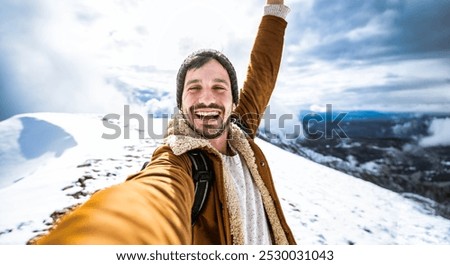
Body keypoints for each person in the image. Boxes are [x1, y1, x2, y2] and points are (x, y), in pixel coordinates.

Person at [35, 0, 296, 245]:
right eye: (194, 88)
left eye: (219, 87)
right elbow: (150, 201)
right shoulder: (179, 160)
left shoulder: (241, 131)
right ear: (180, 103)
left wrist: (274, 7)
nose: (207, 98)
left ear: (234, 101)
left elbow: (263, 68)